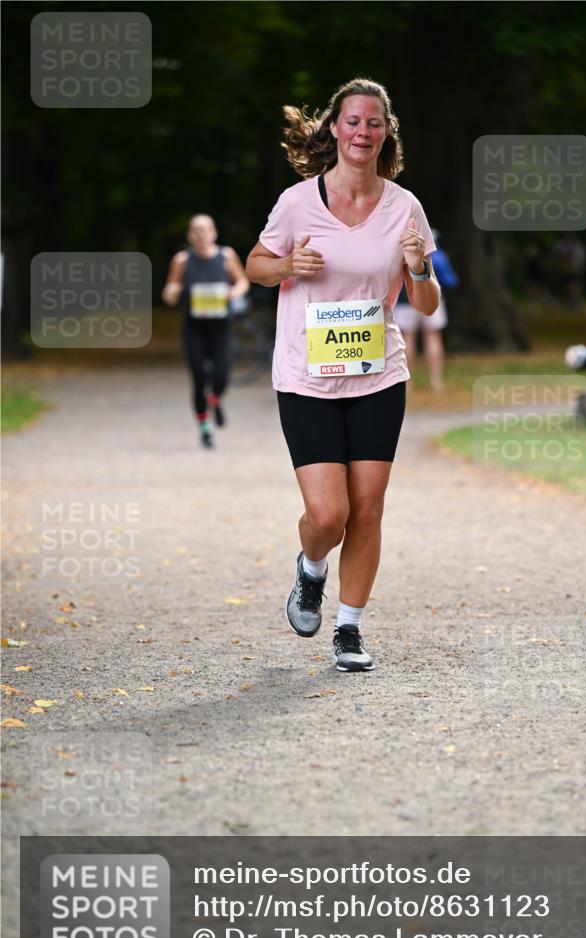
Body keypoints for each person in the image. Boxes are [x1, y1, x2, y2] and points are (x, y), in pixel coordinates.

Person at [245, 78, 440, 672]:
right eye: (353, 121)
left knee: (369, 508)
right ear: (334, 128)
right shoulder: (297, 202)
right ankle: (311, 568)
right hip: (307, 376)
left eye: (374, 122)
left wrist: (419, 266)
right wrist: (286, 264)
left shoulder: (405, 206)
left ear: (386, 132)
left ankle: (349, 628)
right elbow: (255, 266)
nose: (363, 132)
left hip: (378, 373)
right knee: (329, 515)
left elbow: (427, 302)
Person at [162, 215, 250, 448]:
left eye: (206, 229)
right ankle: (205, 428)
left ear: (214, 233)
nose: (201, 234)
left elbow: (242, 281)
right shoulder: (182, 260)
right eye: (196, 230)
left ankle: (215, 399)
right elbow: (171, 288)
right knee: (199, 377)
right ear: (190, 235)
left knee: (221, 375)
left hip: (221, 327)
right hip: (194, 328)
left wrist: (234, 292)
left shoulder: (226, 256)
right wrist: (171, 291)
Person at [394, 229, 457, 393]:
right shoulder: (437, 255)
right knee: (433, 336)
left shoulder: (399, 248)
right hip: (432, 299)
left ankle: (407, 383)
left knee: (407, 338)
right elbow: (450, 280)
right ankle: (436, 381)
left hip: (404, 301)